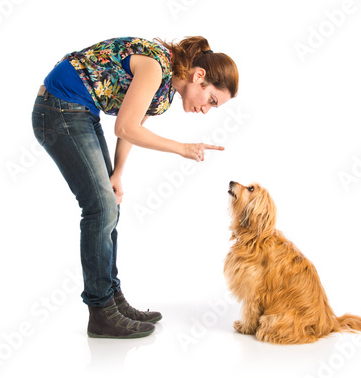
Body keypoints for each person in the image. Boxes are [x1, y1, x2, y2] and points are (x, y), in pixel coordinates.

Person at [31, 36, 239, 339]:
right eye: (211, 101)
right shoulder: (157, 67)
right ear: (199, 77)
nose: (207, 110)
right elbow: (124, 127)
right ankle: (101, 311)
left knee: (108, 204)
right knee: (99, 208)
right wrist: (181, 148)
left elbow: (132, 125)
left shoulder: (166, 92)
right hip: (59, 108)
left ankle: (112, 300)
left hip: (80, 111)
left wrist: (117, 173)